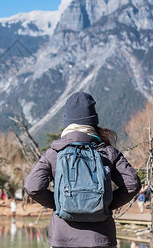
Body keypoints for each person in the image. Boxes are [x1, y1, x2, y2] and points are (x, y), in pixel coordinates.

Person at [24, 92, 141, 248]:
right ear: (93, 121)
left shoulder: (54, 153)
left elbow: (32, 186)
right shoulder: (108, 153)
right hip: (101, 238)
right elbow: (133, 184)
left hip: (62, 239)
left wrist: (61, 203)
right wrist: (104, 204)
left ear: (67, 122)